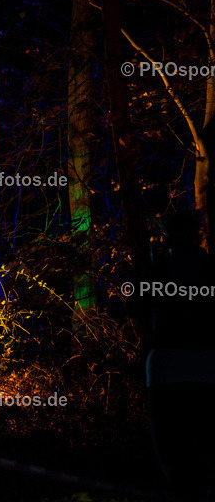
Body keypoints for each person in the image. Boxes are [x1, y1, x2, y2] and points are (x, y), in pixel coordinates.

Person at [145, 210, 215, 501]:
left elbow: (136, 307)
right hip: (205, 364)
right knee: (203, 439)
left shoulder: (159, 269)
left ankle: (182, 489)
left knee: (171, 443)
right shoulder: (210, 268)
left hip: (167, 365)